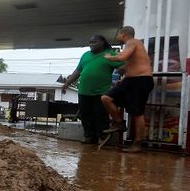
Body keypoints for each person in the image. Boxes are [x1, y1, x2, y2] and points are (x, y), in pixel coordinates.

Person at [62, 35, 124, 144]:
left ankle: (102, 137)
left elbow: (123, 67)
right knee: (85, 115)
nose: (91, 44)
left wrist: (123, 78)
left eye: (94, 42)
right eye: (90, 42)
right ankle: (88, 136)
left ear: (102, 42)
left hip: (101, 92)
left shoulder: (110, 54)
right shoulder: (86, 55)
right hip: (83, 91)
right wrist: (67, 83)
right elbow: (78, 71)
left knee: (101, 115)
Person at [101, 25, 154, 153]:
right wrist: (124, 77)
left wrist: (109, 56)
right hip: (130, 80)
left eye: (119, 34)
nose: (118, 36)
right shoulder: (131, 46)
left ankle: (138, 143)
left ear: (123, 34)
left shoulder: (132, 42)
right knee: (106, 98)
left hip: (141, 80)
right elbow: (132, 65)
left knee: (137, 113)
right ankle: (119, 122)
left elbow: (122, 57)